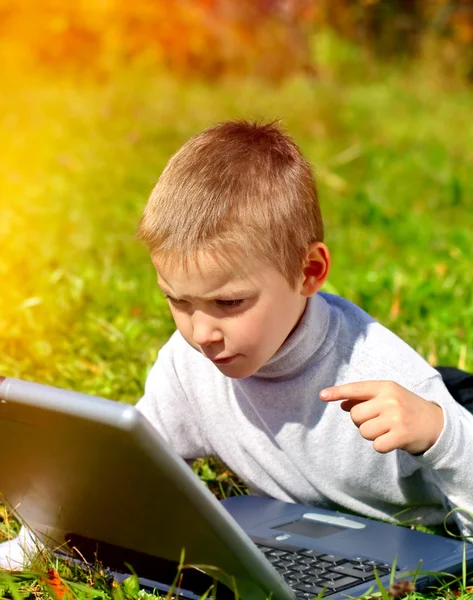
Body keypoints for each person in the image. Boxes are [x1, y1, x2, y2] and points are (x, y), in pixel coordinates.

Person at [135, 119, 473, 537]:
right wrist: (31, 556)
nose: (202, 333)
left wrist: (441, 437)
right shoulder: (188, 365)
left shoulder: (390, 379)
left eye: (229, 302)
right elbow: (124, 472)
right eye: (178, 300)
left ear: (309, 272)